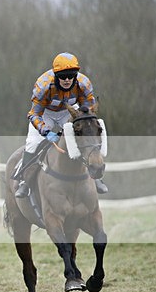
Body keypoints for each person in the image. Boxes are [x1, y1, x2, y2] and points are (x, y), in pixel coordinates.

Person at [13, 52, 108, 198]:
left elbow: (88, 111)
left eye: (71, 75)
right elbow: (34, 114)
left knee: (85, 136)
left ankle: (96, 177)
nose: (67, 79)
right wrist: (46, 132)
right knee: (32, 143)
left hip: (69, 112)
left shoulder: (84, 83)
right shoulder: (43, 85)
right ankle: (24, 181)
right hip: (45, 113)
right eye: (63, 76)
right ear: (56, 75)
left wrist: (85, 123)